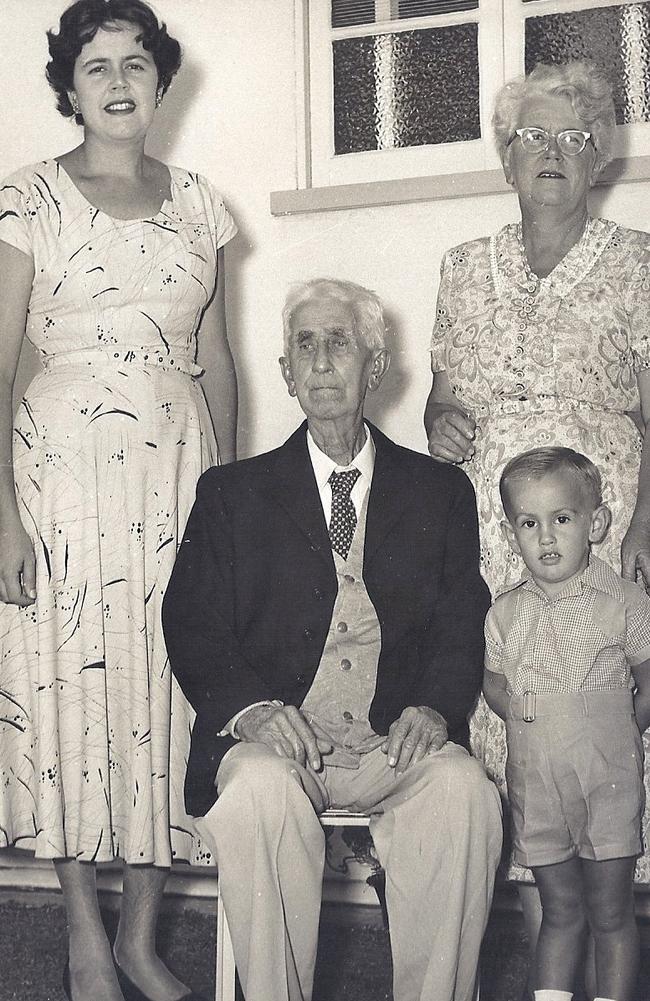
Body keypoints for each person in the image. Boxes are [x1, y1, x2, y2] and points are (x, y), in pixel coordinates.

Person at [163, 278, 503, 1001]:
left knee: (463, 792)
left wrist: (436, 708)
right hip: (280, 740)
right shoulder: (232, 493)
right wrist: (250, 708)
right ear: (285, 372)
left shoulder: (437, 492)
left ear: (374, 369)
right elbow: (191, 618)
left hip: (390, 743)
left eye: (339, 342)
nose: (320, 362)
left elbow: (458, 617)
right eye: (304, 345)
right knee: (256, 789)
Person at [0, 2, 237, 1000]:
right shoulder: (28, 199)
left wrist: (230, 505)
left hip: (175, 476)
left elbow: (216, 362)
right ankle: (84, 941)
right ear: (70, 87)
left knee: (165, 694)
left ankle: (142, 937)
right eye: (95, 65)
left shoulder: (200, 207)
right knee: (68, 689)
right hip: (59, 480)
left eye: (134, 61)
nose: (116, 80)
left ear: (158, 78)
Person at [424, 59, 650, 958]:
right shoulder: (462, 267)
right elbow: (441, 403)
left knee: (604, 719)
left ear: (598, 157)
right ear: (505, 158)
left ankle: (614, 941)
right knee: (511, 727)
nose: (552, 153)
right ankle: (538, 952)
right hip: (492, 524)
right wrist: (439, 421)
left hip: (601, 517)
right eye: (532, 138)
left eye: (573, 137)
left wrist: (644, 525)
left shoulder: (638, 262)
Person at [484, 446, 650, 1001]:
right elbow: (495, 687)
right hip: (539, 780)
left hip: (606, 775)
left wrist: (616, 731)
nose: (547, 538)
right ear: (511, 535)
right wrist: (540, 728)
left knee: (610, 913)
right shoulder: (504, 613)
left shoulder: (625, 603)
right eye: (529, 523)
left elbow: (648, 683)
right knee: (560, 911)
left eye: (562, 519)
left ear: (596, 523)